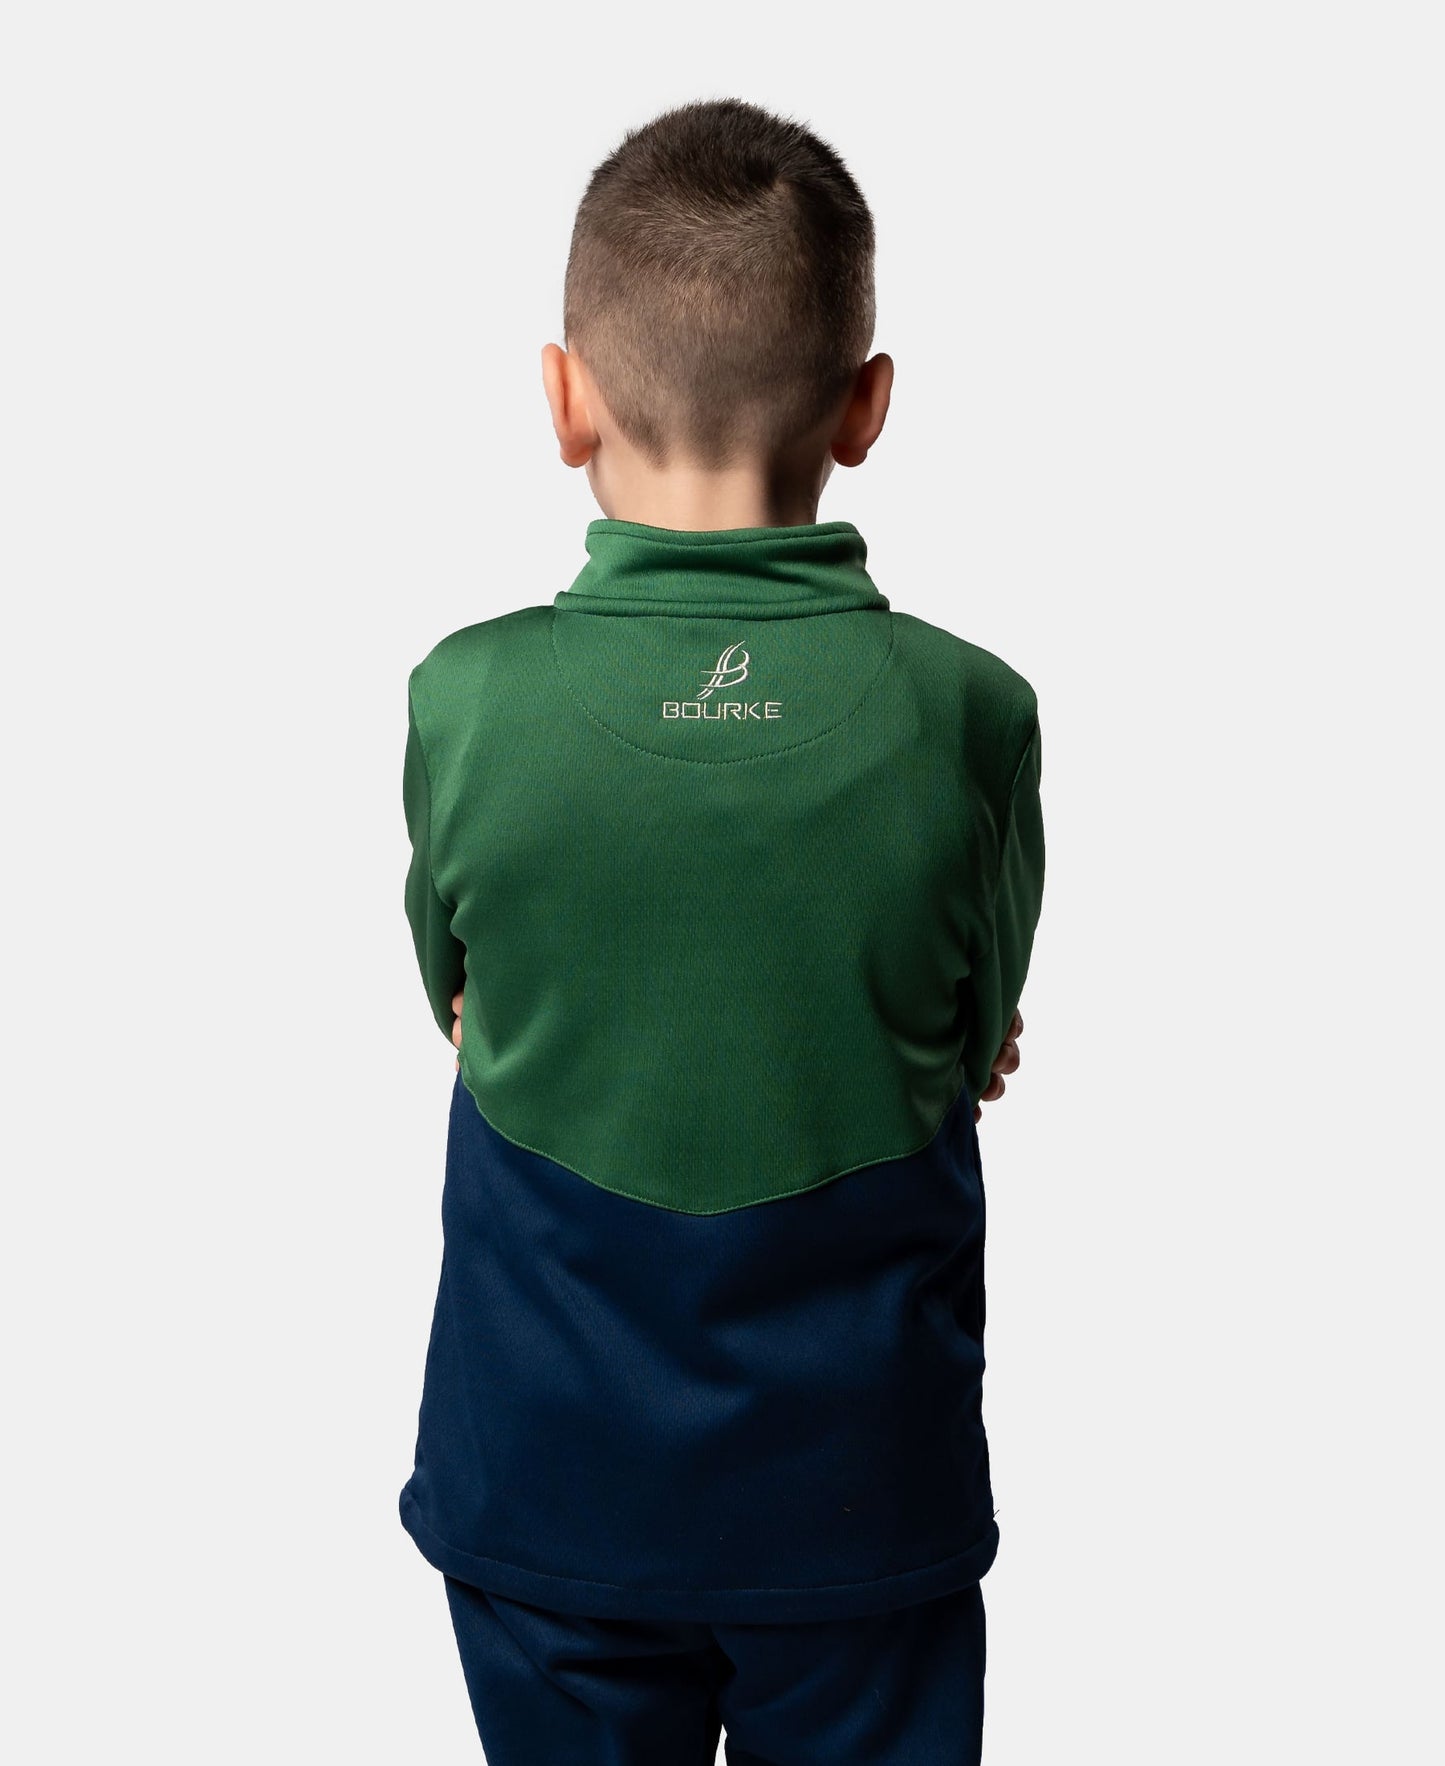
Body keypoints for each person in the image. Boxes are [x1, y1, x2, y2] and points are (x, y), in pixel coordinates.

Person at [397, 96, 1046, 1765]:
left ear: (564, 398)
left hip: (546, 1477)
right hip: (860, 1490)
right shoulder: (969, 715)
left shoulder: (463, 702)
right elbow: (974, 1032)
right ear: (865, 407)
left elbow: (455, 989)